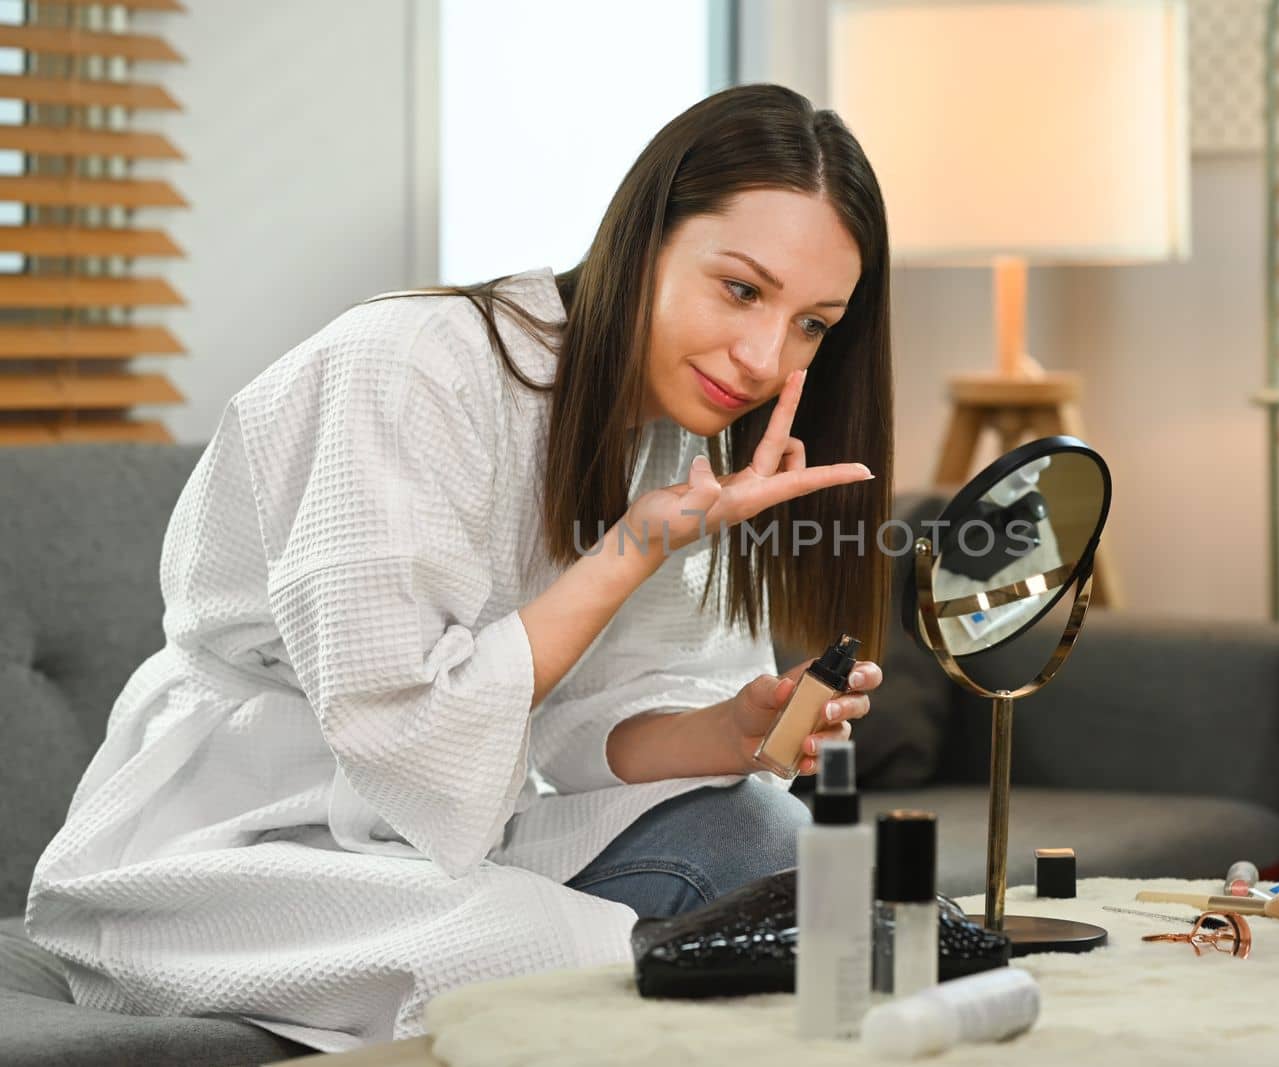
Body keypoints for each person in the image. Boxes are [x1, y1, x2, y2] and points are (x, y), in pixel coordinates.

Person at [26, 83, 894, 1052]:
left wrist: (729, 730)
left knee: (778, 844)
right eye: (740, 288)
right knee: (524, 948)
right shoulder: (407, 368)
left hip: (458, 825)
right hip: (237, 842)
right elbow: (407, 726)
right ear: (642, 237)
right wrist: (636, 545)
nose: (764, 355)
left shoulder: (679, 437)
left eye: (812, 323)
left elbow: (571, 731)